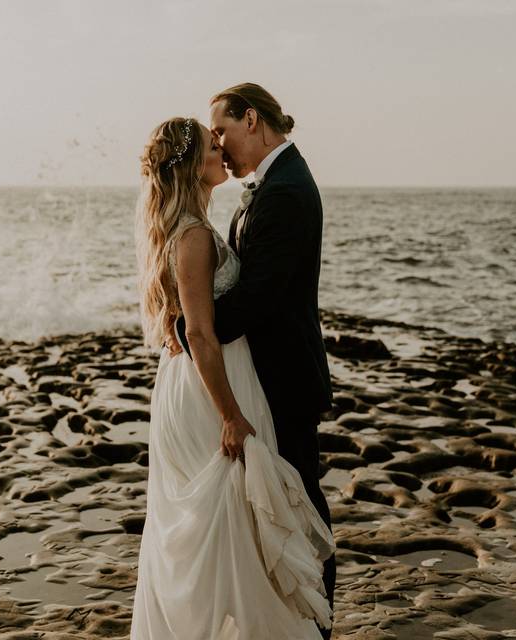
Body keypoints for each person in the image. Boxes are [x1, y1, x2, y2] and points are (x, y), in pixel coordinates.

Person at [129, 111, 334, 640]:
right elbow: (199, 333)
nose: (219, 147)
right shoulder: (193, 235)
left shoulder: (188, 229)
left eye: (219, 136)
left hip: (198, 379)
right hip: (207, 389)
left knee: (224, 527)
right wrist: (231, 416)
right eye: (209, 143)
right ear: (192, 166)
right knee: (229, 525)